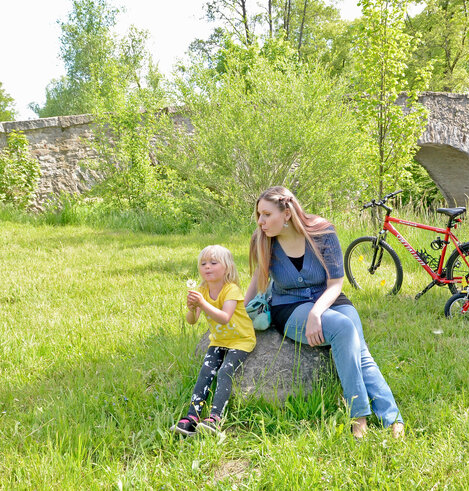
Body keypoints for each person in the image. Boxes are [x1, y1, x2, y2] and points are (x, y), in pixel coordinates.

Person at [245, 186, 404, 439]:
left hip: (329, 298)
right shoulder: (262, 239)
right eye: (259, 215)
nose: (260, 222)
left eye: (266, 214)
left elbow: (335, 284)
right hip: (289, 305)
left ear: (286, 213)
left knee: (359, 348)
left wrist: (316, 313)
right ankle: (359, 416)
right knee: (343, 329)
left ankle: (392, 417)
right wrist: (241, 313)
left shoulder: (322, 232)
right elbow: (258, 280)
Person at [171, 245, 256, 437]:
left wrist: (202, 303)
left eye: (213, 263)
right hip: (218, 340)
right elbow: (192, 321)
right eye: (203, 263)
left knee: (225, 371)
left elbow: (225, 317)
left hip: (240, 340)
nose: (207, 267)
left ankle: (215, 419)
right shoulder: (203, 289)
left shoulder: (231, 290)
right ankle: (191, 417)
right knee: (206, 371)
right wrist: (193, 308)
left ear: (227, 267)